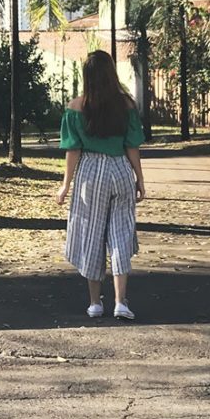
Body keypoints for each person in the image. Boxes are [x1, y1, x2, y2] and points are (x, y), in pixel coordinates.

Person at [56, 49, 146, 320]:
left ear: (87, 77)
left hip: (90, 173)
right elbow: (132, 146)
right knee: (120, 234)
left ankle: (95, 303)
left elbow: (72, 151)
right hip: (119, 168)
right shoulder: (127, 106)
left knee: (91, 235)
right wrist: (140, 179)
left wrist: (65, 186)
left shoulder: (75, 108)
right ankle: (121, 301)